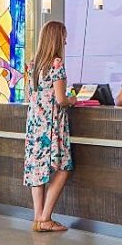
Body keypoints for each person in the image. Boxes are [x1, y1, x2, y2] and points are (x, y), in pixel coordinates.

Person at [24, 20, 73, 233]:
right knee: (63, 168)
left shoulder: (32, 65)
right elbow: (61, 99)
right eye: (64, 37)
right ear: (56, 39)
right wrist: (73, 100)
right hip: (52, 124)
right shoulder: (56, 64)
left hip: (35, 123)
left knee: (37, 170)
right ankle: (45, 218)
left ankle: (38, 218)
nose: (66, 41)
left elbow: (29, 96)